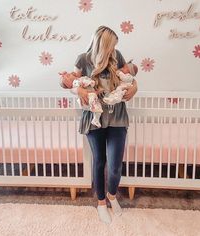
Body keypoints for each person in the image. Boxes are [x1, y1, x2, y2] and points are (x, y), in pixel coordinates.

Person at [60, 25, 138, 224]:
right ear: (102, 44)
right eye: (110, 46)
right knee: (99, 161)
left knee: (114, 166)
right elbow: (72, 84)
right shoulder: (83, 59)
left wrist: (134, 89)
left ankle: (112, 195)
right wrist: (78, 91)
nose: (113, 50)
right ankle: (101, 202)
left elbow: (130, 78)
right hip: (94, 118)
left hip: (117, 117)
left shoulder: (117, 56)